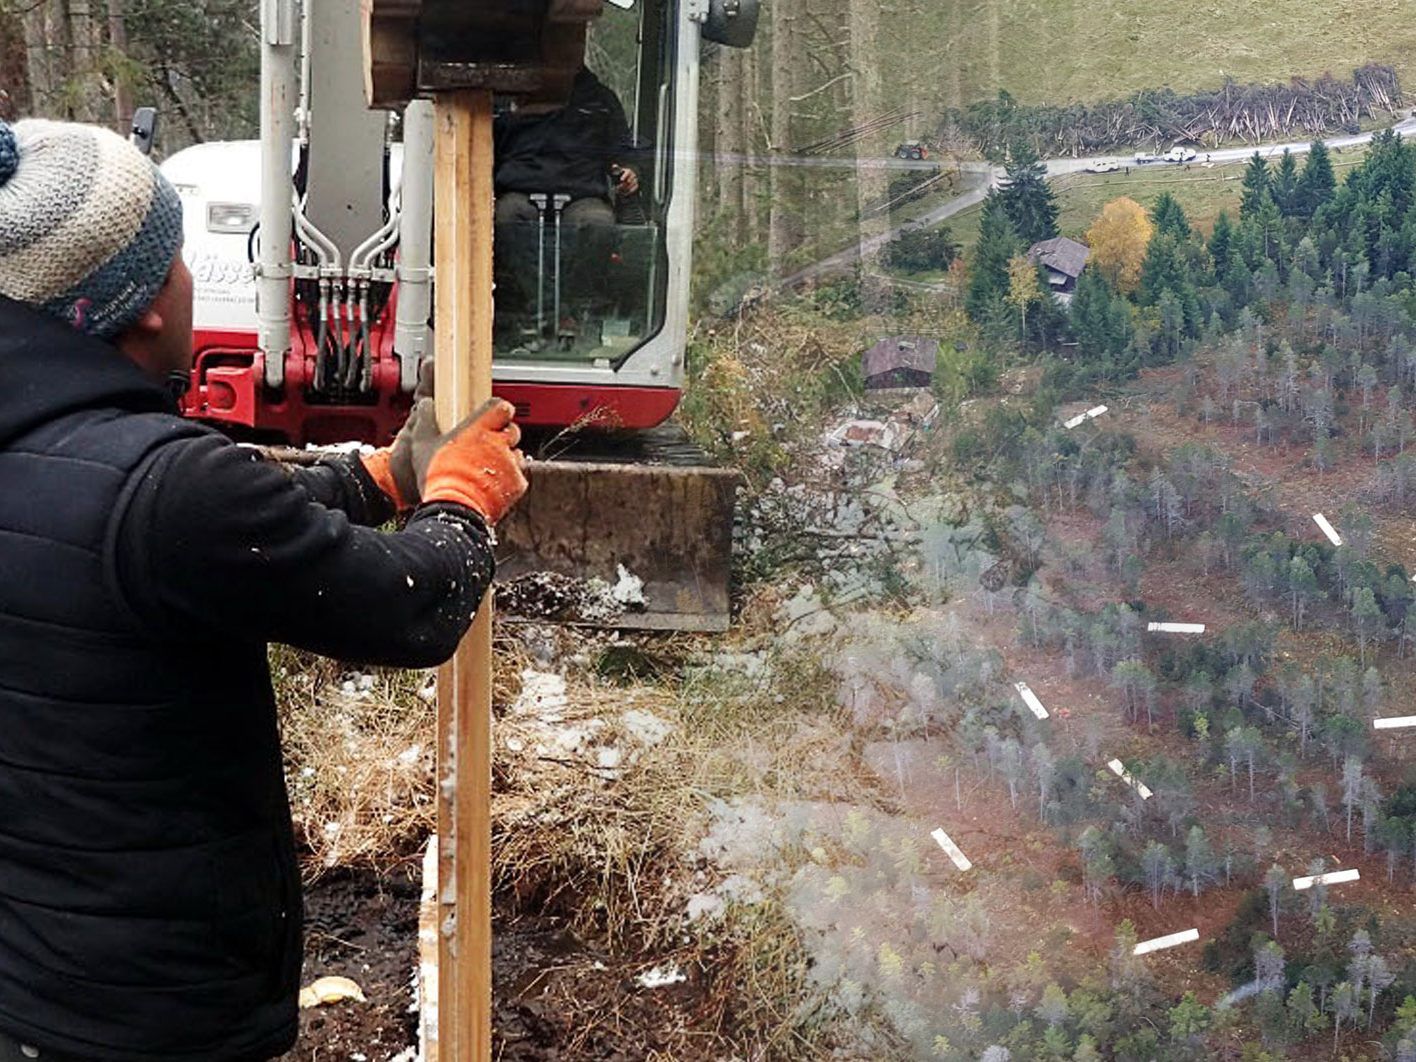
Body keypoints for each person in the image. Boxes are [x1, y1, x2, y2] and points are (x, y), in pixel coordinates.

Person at [0, 117, 527, 1061]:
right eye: (178, 258)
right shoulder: (167, 492)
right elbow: (411, 602)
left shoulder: (73, 455)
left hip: (32, 979)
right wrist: (463, 501)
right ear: (148, 301)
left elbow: (187, 523)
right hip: (156, 1012)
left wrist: (374, 481)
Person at [494, 66, 640, 228]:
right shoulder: (504, 95)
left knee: (597, 222)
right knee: (507, 215)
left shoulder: (600, 100)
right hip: (517, 192)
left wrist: (630, 171)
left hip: (583, 196)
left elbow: (621, 151)